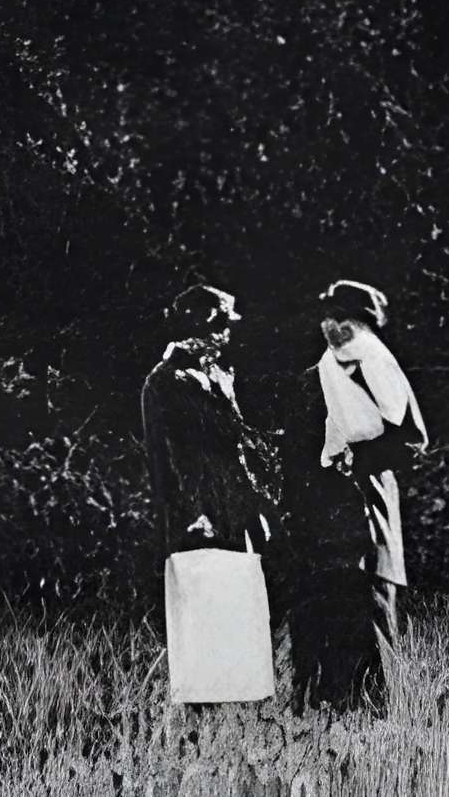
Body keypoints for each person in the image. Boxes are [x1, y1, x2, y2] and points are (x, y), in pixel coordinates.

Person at [285, 278, 428, 715]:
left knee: (372, 597)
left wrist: (358, 459)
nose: (332, 325)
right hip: (329, 500)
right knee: (331, 597)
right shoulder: (328, 366)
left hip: (368, 493)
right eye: (327, 317)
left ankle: (378, 709)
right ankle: (329, 706)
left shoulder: (375, 361)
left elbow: (412, 439)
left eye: (342, 318)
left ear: (361, 323)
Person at [141, 284, 278, 708]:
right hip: (198, 519)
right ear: (201, 325)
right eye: (222, 324)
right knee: (204, 617)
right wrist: (195, 515)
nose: (229, 333)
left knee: (241, 613)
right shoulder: (167, 382)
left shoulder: (217, 374)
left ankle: (239, 717)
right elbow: (168, 459)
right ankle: (204, 722)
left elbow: (236, 446)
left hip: (236, 510)